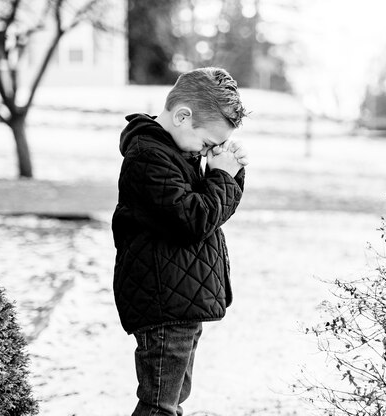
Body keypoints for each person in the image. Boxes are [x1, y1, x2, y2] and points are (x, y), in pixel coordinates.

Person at [111, 67, 248, 416]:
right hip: (162, 303)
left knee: (170, 402)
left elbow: (208, 213)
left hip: (180, 300)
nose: (207, 152)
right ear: (182, 116)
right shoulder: (149, 158)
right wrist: (222, 176)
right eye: (207, 144)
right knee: (160, 406)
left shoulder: (177, 153)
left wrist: (229, 173)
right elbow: (195, 220)